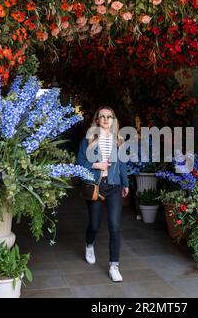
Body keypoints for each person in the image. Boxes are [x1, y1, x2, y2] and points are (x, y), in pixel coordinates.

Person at [77, 106, 129, 282]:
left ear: (113, 120)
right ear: (97, 120)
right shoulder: (89, 139)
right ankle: (89, 244)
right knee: (94, 224)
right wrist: (96, 165)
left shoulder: (118, 140)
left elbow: (122, 164)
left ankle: (114, 266)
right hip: (96, 186)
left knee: (115, 226)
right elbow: (80, 162)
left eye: (110, 116)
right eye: (102, 116)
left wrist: (126, 183)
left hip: (114, 186)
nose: (106, 119)